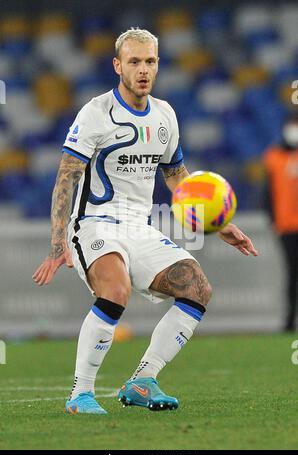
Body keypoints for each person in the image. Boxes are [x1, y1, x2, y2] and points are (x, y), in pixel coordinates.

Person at [33, 28, 258, 415]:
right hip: (94, 222)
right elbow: (66, 176)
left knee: (197, 287)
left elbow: (176, 177)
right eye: (134, 61)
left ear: (158, 64)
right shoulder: (96, 112)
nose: (143, 70)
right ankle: (79, 395)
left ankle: (142, 379)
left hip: (139, 225)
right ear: (118, 65)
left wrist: (220, 225)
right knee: (115, 290)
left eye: (150, 61)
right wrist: (58, 242)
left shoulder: (165, 114)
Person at [263, 113, 298, 332]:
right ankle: (290, 321)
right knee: (291, 274)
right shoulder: (273, 156)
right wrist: (273, 221)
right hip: (286, 226)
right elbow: (268, 193)